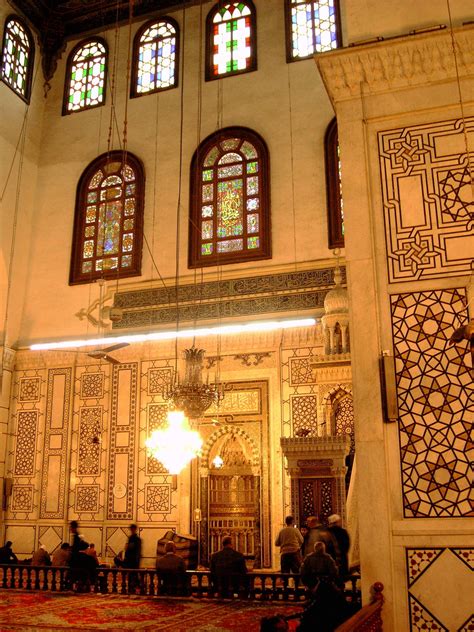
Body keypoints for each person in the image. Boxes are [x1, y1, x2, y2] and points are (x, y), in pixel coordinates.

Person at [328, 514, 350, 578]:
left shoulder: (326, 532)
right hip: (342, 559)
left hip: (329, 560)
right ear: (337, 522)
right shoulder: (343, 532)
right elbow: (347, 545)